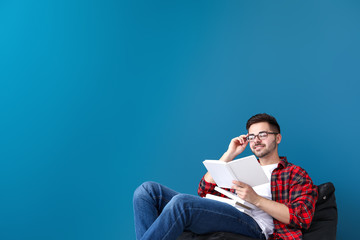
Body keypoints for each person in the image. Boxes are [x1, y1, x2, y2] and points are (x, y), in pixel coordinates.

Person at [133, 113, 318, 240]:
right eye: (252, 136)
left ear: (277, 138)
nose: (256, 140)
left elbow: (302, 217)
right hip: (227, 211)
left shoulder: (294, 173)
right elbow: (204, 191)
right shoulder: (242, 168)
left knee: (182, 204)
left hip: (255, 226)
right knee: (146, 191)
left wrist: (256, 199)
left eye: (263, 134)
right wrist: (230, 154)